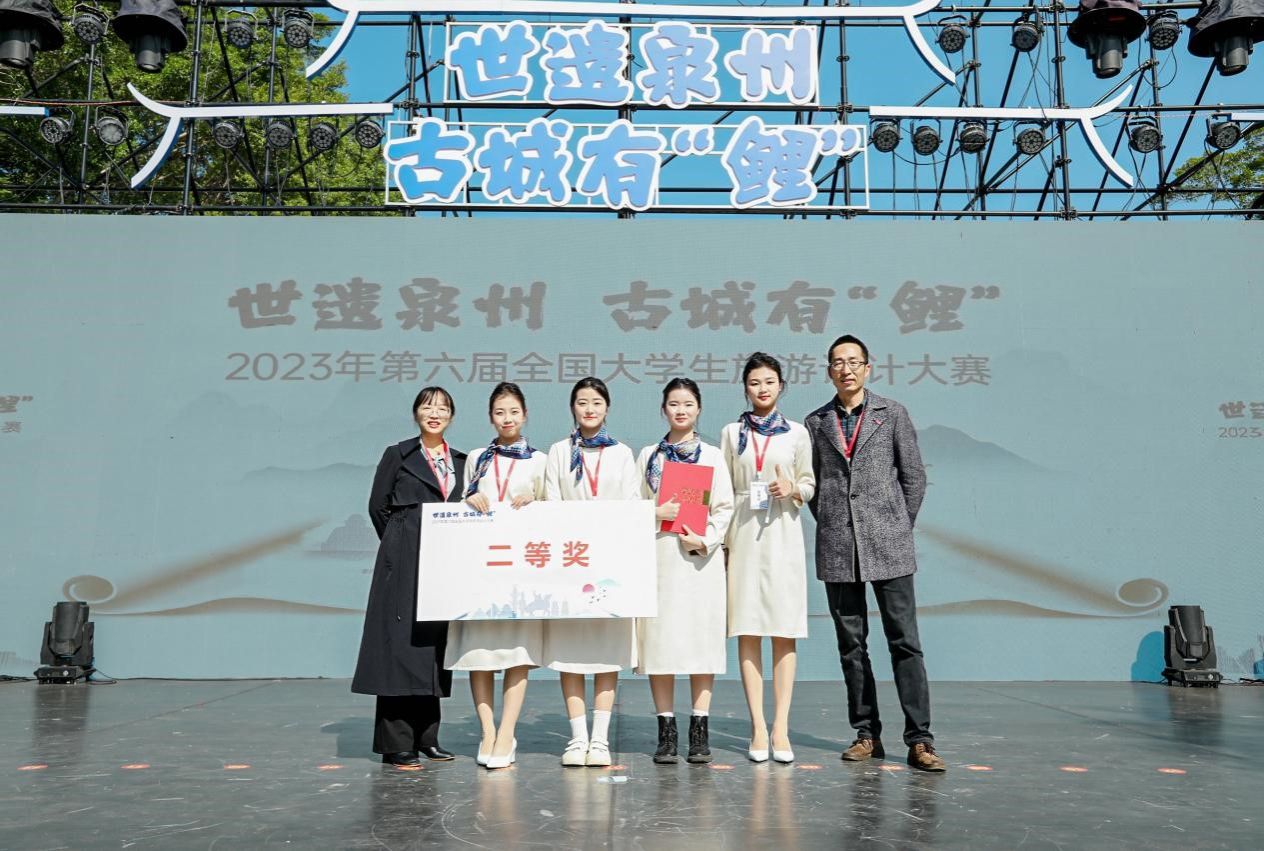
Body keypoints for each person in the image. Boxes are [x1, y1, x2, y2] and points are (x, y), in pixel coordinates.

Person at [804, 335, 945, 772]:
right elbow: (814, 486)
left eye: (853, 362)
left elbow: (913, 477)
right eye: (837, 362)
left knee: (905, 642)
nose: (845, 369)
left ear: (868, 368)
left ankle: (920, 740)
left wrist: (897, 523)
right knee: (852, 645)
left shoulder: (892, 413)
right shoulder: (816, 422)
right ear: (829, 371)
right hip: (839, 546)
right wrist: (835, 520)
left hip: (890, 544)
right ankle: (866, 734)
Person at [353, 386, 467, 767]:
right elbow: (377, 507)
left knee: (432, 648)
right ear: (416, 413)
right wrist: (400, 544)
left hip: (444, 563)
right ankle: (396, 743)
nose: (435, 413)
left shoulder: (461, 461)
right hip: (403, 561)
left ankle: (427, 737)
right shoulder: (398, 455)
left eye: (442, 408)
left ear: (451, 416)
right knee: (398, 648)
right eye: (427, 406)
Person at [446, 382, 548, 770]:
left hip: (522, 570)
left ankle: (507, 732)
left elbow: (554, 510)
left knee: (517, 653)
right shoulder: (477, 458)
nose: (507, 419)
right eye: (500, 412)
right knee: (482, 652)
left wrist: (535, 501)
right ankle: (487, 731)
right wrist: (469, 499)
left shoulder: (539, 461)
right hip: (482, 570)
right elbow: (461, 506)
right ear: (491, 417)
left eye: (514, 412)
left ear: (526, 416)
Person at [720, 353, 815, 765]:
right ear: (745, 388)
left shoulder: (797, 433)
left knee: (783, 629)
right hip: (743, 533)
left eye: (770, 381)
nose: (762, 388)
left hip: (782, 533)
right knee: (748, 629)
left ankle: (781, 727)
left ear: (781, 386)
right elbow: (723, 489)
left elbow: (809, 484)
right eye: (755, 382)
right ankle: (758, 726)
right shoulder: (731, 433)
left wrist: (792, 487)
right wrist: (722, 544)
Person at [542, 377, 641, 768]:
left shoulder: (622, 454)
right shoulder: (558, 452)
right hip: (572, 562)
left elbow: (632, 506)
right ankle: (576, 737)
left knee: (605, 652)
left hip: (611, 565)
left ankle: (599, 739)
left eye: (596, 402)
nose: (589, 409)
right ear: (573, 407)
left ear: (607, 408)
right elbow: (551, 503)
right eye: (582, 402)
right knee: (570, 652)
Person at [635, 378, 734, 765]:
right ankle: (666, 731)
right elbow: (632, 506)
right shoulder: (649, 456)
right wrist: (655, 512)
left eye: (688, 404)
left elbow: (724, 508)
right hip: (660, 556)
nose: (681, 410)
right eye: (674, 404)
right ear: (663, 409)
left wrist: (705, 539)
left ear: (699, 409)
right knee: (659, 644)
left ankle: (699, 728)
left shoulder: (712, 456)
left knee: (700, 643)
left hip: (699, 561)